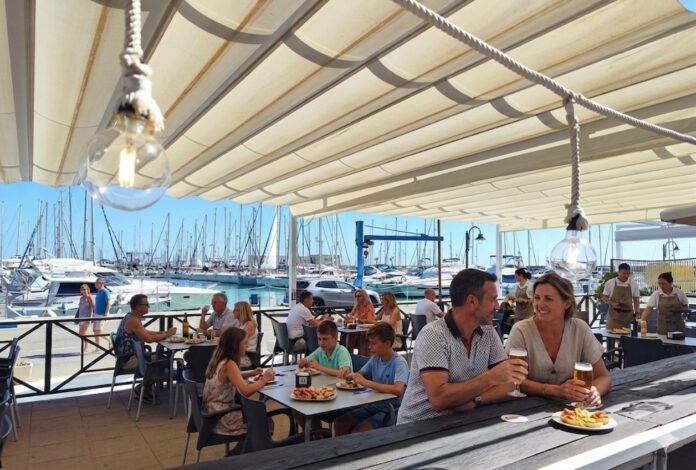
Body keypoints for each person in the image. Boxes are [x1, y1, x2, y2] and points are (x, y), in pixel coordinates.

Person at [397, 269, 528, 425]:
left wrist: (475, 401)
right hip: (419, 427)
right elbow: (439, 399)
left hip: (465, 420)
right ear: (472, 301)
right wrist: (491, 377)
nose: (498, 306)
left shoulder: (488, 332)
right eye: (493, 300)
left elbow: (509, 385)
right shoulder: (433, 335)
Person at [506, 272, 611, 406]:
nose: (540, 304)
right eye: (537, 298)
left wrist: (595, 391)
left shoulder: (580, 329)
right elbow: (514, 381)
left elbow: (603, 376)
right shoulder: (521, 330)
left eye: (548, 299)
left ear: (566, 303)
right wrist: (556, 390)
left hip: (570, 410)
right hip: (526, 409)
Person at [334, 323, 409, 435]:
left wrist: (365, 382)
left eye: (373, 343)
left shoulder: (399, 362)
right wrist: (349, 375)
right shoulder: (375, 359)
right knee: (340, 423)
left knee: (358, 432)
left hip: (390, 410)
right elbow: (360, 374)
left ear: (387, 343)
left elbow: (398, 390)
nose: (369, 347)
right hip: (373, 405)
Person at [203, 327, 274, 437]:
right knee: (264, 419)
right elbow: (245, 391)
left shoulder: (220, 360)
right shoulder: (230, 364)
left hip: (211, 413)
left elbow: (230, 377)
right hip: (223, 417)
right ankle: (247, 451)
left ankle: (241, 450)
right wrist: (265, 379)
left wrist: (251, 373)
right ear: (235, 346)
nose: (247, 346)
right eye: (245, 343)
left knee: (258, 415)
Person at [113, 294, 177, 401]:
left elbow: (146, 332)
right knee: (164, 361)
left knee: (160, 358)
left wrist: (164, 332)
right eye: (146, 304)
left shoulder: (131, 317)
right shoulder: (133, 320)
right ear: (138, 306)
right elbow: (148, 339)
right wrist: (167, 334)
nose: (149, 306)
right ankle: (143, 387)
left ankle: (146, 388)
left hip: (127, 357)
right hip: (128, 361)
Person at [602, 263, 640, 329]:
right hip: (614, 315)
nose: (626, 275)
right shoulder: (610, 283)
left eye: (628, 273)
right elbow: (604, 297)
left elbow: (636, 299)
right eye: (624, 273)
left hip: (627, 316)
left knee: (626, 337)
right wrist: (612, 303)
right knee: (611, 336)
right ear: (618, 272)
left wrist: (637, 312)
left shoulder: (633, 284)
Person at [230, 301, 258, 368]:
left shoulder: (249, 325)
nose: (232, 311)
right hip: (241, 354)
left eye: (235, 310)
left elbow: (241, 342)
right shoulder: (240, 324)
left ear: (241, 312)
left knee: (222, 362)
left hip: (247, 356)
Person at [93, 278, 113, 348]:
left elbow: (108, 303)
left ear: (102, 283)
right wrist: (94, 313)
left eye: (97, 283)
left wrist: (106, 314)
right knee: (95, 331)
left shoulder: (105, 291)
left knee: (98, 331)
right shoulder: (99, 291)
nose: (95, 284)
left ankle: (110, 341)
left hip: (102, 314)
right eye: (95, 283)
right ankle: (97, 347)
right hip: (96, 314)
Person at [77, 284, 96, 353]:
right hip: (81, 317)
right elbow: (80, 309)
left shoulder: (89, 297)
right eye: (83, 289)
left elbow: (94, 307)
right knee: (81, 333)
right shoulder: (81, 298)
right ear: (81, 291)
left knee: (84, 333)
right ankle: (87, 346)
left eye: (85, 289)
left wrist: (93, 317)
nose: (84, 291)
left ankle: (87, 348)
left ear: (88, 290)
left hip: (87, 317)